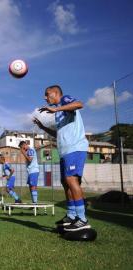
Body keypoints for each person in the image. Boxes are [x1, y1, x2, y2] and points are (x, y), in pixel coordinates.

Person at [35, 84, 91, 231]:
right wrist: (43, 127)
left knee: (71, 180)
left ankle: (82, 219)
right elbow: (58, 134)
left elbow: (79, 104)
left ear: (55, 93)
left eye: (47, 94)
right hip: (65, 151)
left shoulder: (65, 100)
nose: (45, 97)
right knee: (65, 182)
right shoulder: (59, 114)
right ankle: (71, 216)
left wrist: (56, 108)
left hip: (75, 147)